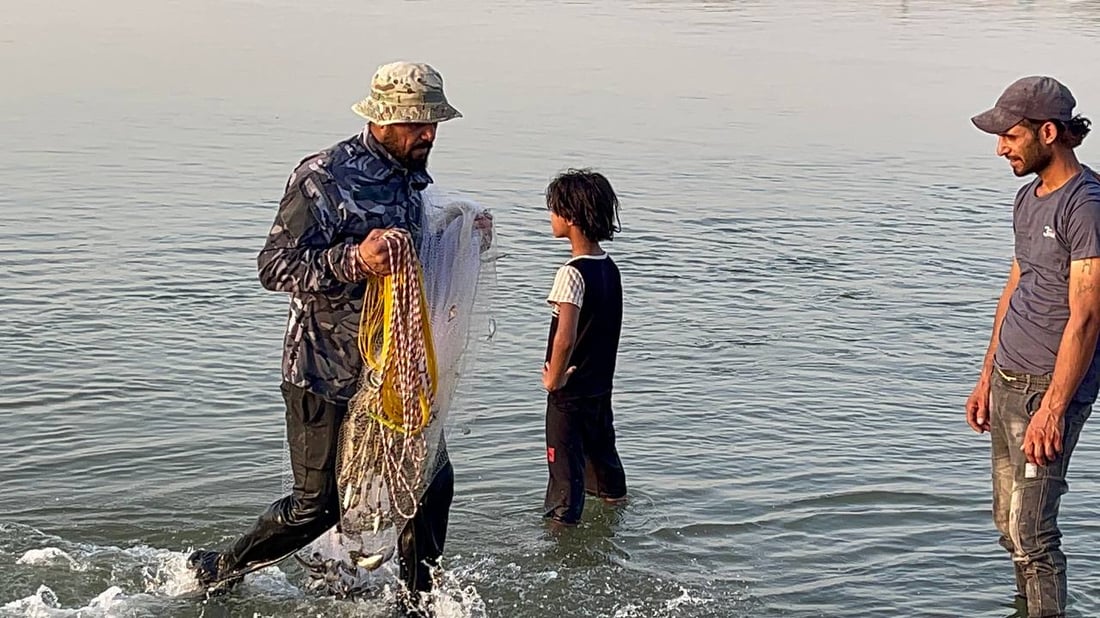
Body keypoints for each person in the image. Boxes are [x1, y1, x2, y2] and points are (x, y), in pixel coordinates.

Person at [187, 61, 486, 613]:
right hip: (322, 370)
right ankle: (219, 568)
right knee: (315, 507)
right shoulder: (322, 175)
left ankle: (414, 603)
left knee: (431, 485)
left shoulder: (409, 173)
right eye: (417, 123)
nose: (429, 134)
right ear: (382, 120)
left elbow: (413, 251)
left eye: (434, 123)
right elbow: (274, 267)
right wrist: (354, 259)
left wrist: (460, 233)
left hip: (393, 371)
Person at [966, 75, 1100, 618]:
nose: (1001, 147)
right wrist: (984, 376)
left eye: (1011, 136)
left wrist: (1052, 409)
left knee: (1033, 533)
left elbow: (1089, 315)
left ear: (1049, 132)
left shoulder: (1087, 205)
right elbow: (1016, 283)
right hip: (1007, 381)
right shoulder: (1028, 197)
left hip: (1048, 389)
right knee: (1009, 526)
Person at [541, 169, 628, 526]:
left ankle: (561, 535)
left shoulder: (571, 273)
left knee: (564, 478)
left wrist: (554, 379)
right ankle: (613, 509)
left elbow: (565, 336)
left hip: (569, 394)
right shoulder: (609, 268)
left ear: (571, 218)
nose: (551, 217)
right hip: (599, 389)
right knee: (605, 468)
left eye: (554, 210)